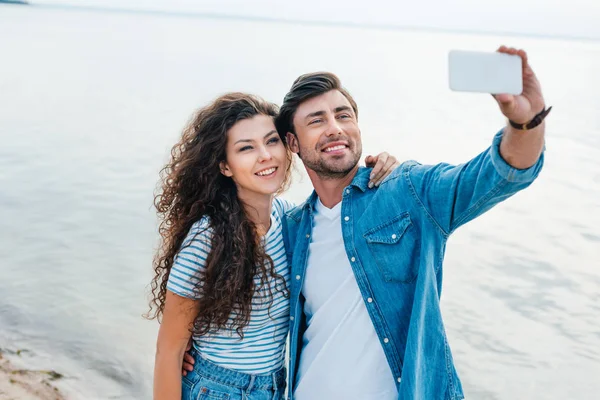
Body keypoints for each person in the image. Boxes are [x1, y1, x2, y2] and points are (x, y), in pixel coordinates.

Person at [274, 46, 548, 399]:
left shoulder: (409, 191)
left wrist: (526, 122)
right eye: (317, 120)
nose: (335, 129)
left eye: (343, 116)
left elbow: (500, 174)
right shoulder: (292, 228)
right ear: (293, 143)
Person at [147, 92, 399, 400]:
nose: (265, 156)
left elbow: (341, 216)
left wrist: (384, 172)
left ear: (288, 146)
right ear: (225, 166)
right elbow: (169, 351)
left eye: (272, 141)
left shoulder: (292, 223)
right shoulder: (206, 238)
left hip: (276, 388)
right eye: (246, 148)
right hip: (215, 389)